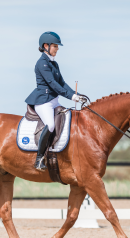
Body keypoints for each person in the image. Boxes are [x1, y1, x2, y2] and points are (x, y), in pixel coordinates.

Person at [25, 31, 86, 171]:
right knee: (51, 125)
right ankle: (39, 159)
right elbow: (53, 84)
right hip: (43, 102)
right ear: (46, 46)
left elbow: (62, 84)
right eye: (55, 46)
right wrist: (71, 97)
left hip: (54, 101)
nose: (57, 49)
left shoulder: (54, 64)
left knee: (70, 119)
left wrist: (76, 94)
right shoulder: (42, 64)